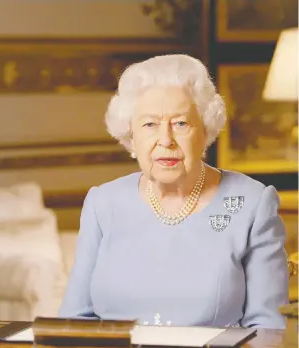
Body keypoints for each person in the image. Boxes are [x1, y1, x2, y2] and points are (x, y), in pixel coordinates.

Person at [58, 54, 289, 329]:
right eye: (150, 124)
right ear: (131, 136)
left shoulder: (251, 204)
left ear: (205, 132)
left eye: (180, 123)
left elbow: (268, 332)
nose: (165, 140)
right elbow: (72, 323)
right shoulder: (102, 203)